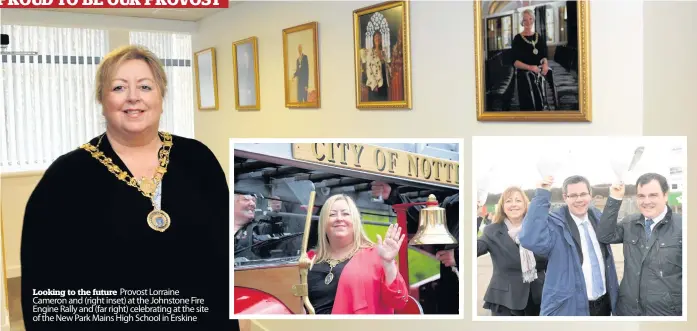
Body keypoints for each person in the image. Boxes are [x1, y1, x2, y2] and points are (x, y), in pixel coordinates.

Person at [20, 45, 235, 330]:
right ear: (101, 98)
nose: (133, 97)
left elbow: (224, 253)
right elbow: (43, 285)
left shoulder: (198, 158)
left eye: (145, 86)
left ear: (161, 95)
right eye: (119, 87)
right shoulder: (66, 176)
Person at [519, 175, 620, 316]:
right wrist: (542, 194)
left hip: (604, 305)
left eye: (583, 194)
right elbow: (529, 238)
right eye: (573, 195)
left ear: (590, 195)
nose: (579, 199)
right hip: (572, 307)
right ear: (565, 197)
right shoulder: (555, 225)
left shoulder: (598, 218)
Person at [306, 194, 409, 314]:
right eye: (332, 214)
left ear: (355, 221)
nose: (339, 218)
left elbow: (398, 301)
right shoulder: (309, 259)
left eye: (345, 214)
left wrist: (388, 264)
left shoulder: (376, 256)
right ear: (323, 223)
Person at [596, 173, 682, 316]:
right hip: (627, 312)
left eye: (653, 195)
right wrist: (615, 198)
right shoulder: (630, 223)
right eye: (641, 196)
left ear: (665, 195)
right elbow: (605, 235)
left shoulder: (684, 227)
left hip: (665, 315)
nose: (646, 201)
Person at [372, 181, 459, 314]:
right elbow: (426, 221)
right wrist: (394, 196)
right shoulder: (453, 203)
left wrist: (458, 256)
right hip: (450, 286)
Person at [477, 186, 547, 316]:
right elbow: (473, 250)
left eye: (518, 200)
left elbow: (551, 260)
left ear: (525, 205)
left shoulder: (539, 229)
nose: (513, 204)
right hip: (505, 301)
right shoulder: (491, 231)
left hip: (539, 298)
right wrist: (473, 217)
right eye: (508, 201)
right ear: (502, 206)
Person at [511, 9, 558, 110]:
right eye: (525, 20)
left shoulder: (538, 37)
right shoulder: (517, 39)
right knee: (529, 107)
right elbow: (515, 62)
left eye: (530, 19)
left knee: (540, 105)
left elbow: (543, 56)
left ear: (533, 20)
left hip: (538, 75)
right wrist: (530, 67)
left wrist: (545, 63)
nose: (528, 22)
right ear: (522, 22)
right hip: (525, 77)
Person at [361, 30, 391, 101]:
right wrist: (374, 85)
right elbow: (368, 69)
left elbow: (387, 67)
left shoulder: (383, 53)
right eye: (376, 37)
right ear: (373, 39)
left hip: (384, 84)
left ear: (381, 39)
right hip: (375, 85)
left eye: (379, 37)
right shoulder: (370, 52)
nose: (378, 38)